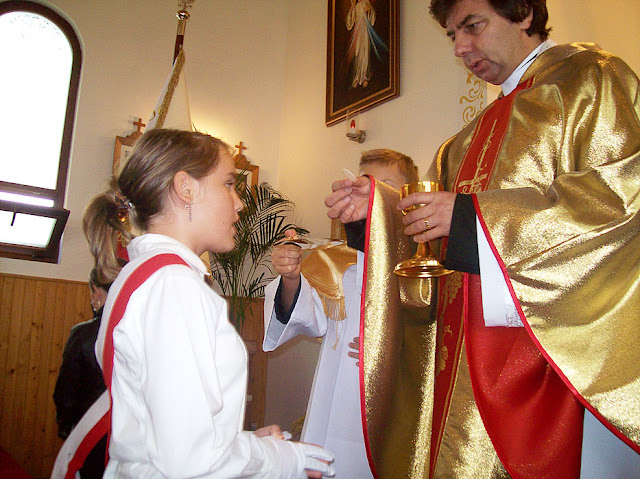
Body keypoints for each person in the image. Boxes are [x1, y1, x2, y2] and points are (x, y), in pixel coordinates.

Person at [326, 0, 640, 477]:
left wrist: (472, 219)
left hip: (555, 363)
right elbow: (433, 248)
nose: (460, 48)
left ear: (524, 14)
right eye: (453, 35)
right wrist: (378, 215)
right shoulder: (460, 143)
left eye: (472, 26)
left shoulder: (590, 78)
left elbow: (621, 200)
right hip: (461, 364)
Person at [61, 129, 335, 478]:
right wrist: (281, 459)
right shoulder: (174, 286)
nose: (239, 203)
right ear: (186, 188)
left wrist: (246, 446)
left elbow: (165, 430)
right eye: (228, 184)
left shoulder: (145, 275)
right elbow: (187, 458)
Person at [263, 149, 418, 478]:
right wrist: (291, 278)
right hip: (337, 392)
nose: (375, 196)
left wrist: (393, 350)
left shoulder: (424, 259)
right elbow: (308, 318)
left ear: (409, 195)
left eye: (386, 187)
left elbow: (438, 332)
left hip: (397, 394)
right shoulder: (336, 259)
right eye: (366, 185)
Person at [53, 267, 111, 479]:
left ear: (96, 291)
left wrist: (67, 430)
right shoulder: (141, 332)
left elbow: (65, 393)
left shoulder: (83, 334)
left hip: (88, 436)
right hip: (131, 441)